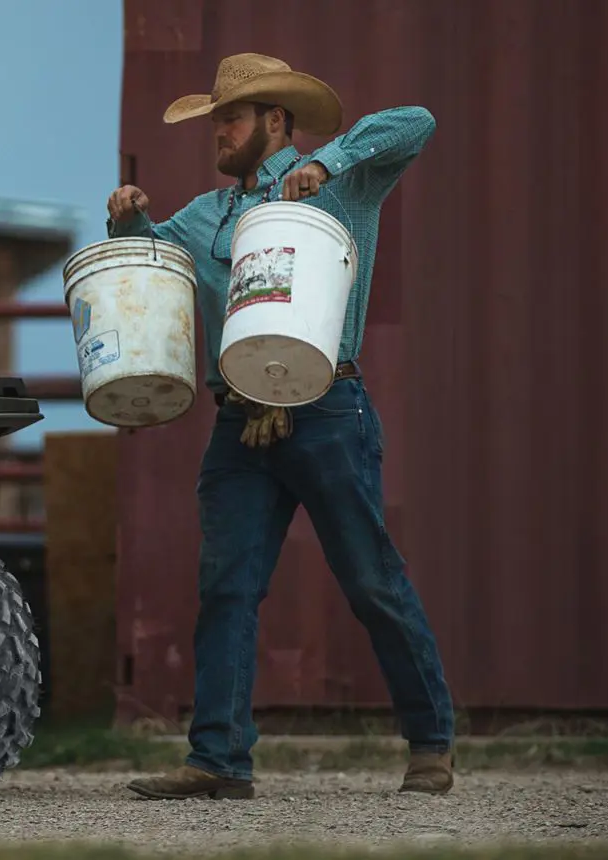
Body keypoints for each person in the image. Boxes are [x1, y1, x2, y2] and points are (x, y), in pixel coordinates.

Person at [105, 53, 455, 799]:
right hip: (238, 422)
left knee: (369, 580)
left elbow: (416, 124)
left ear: (273, 121)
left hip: (328, 410)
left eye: (229, 119)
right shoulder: (206, 215)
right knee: (227, 588)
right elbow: (152, 267)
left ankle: (432, 743)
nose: (218, 134)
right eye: (215, 122)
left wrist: (328, 163)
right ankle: (218, 762)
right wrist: (130, 219)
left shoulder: (347, 185)